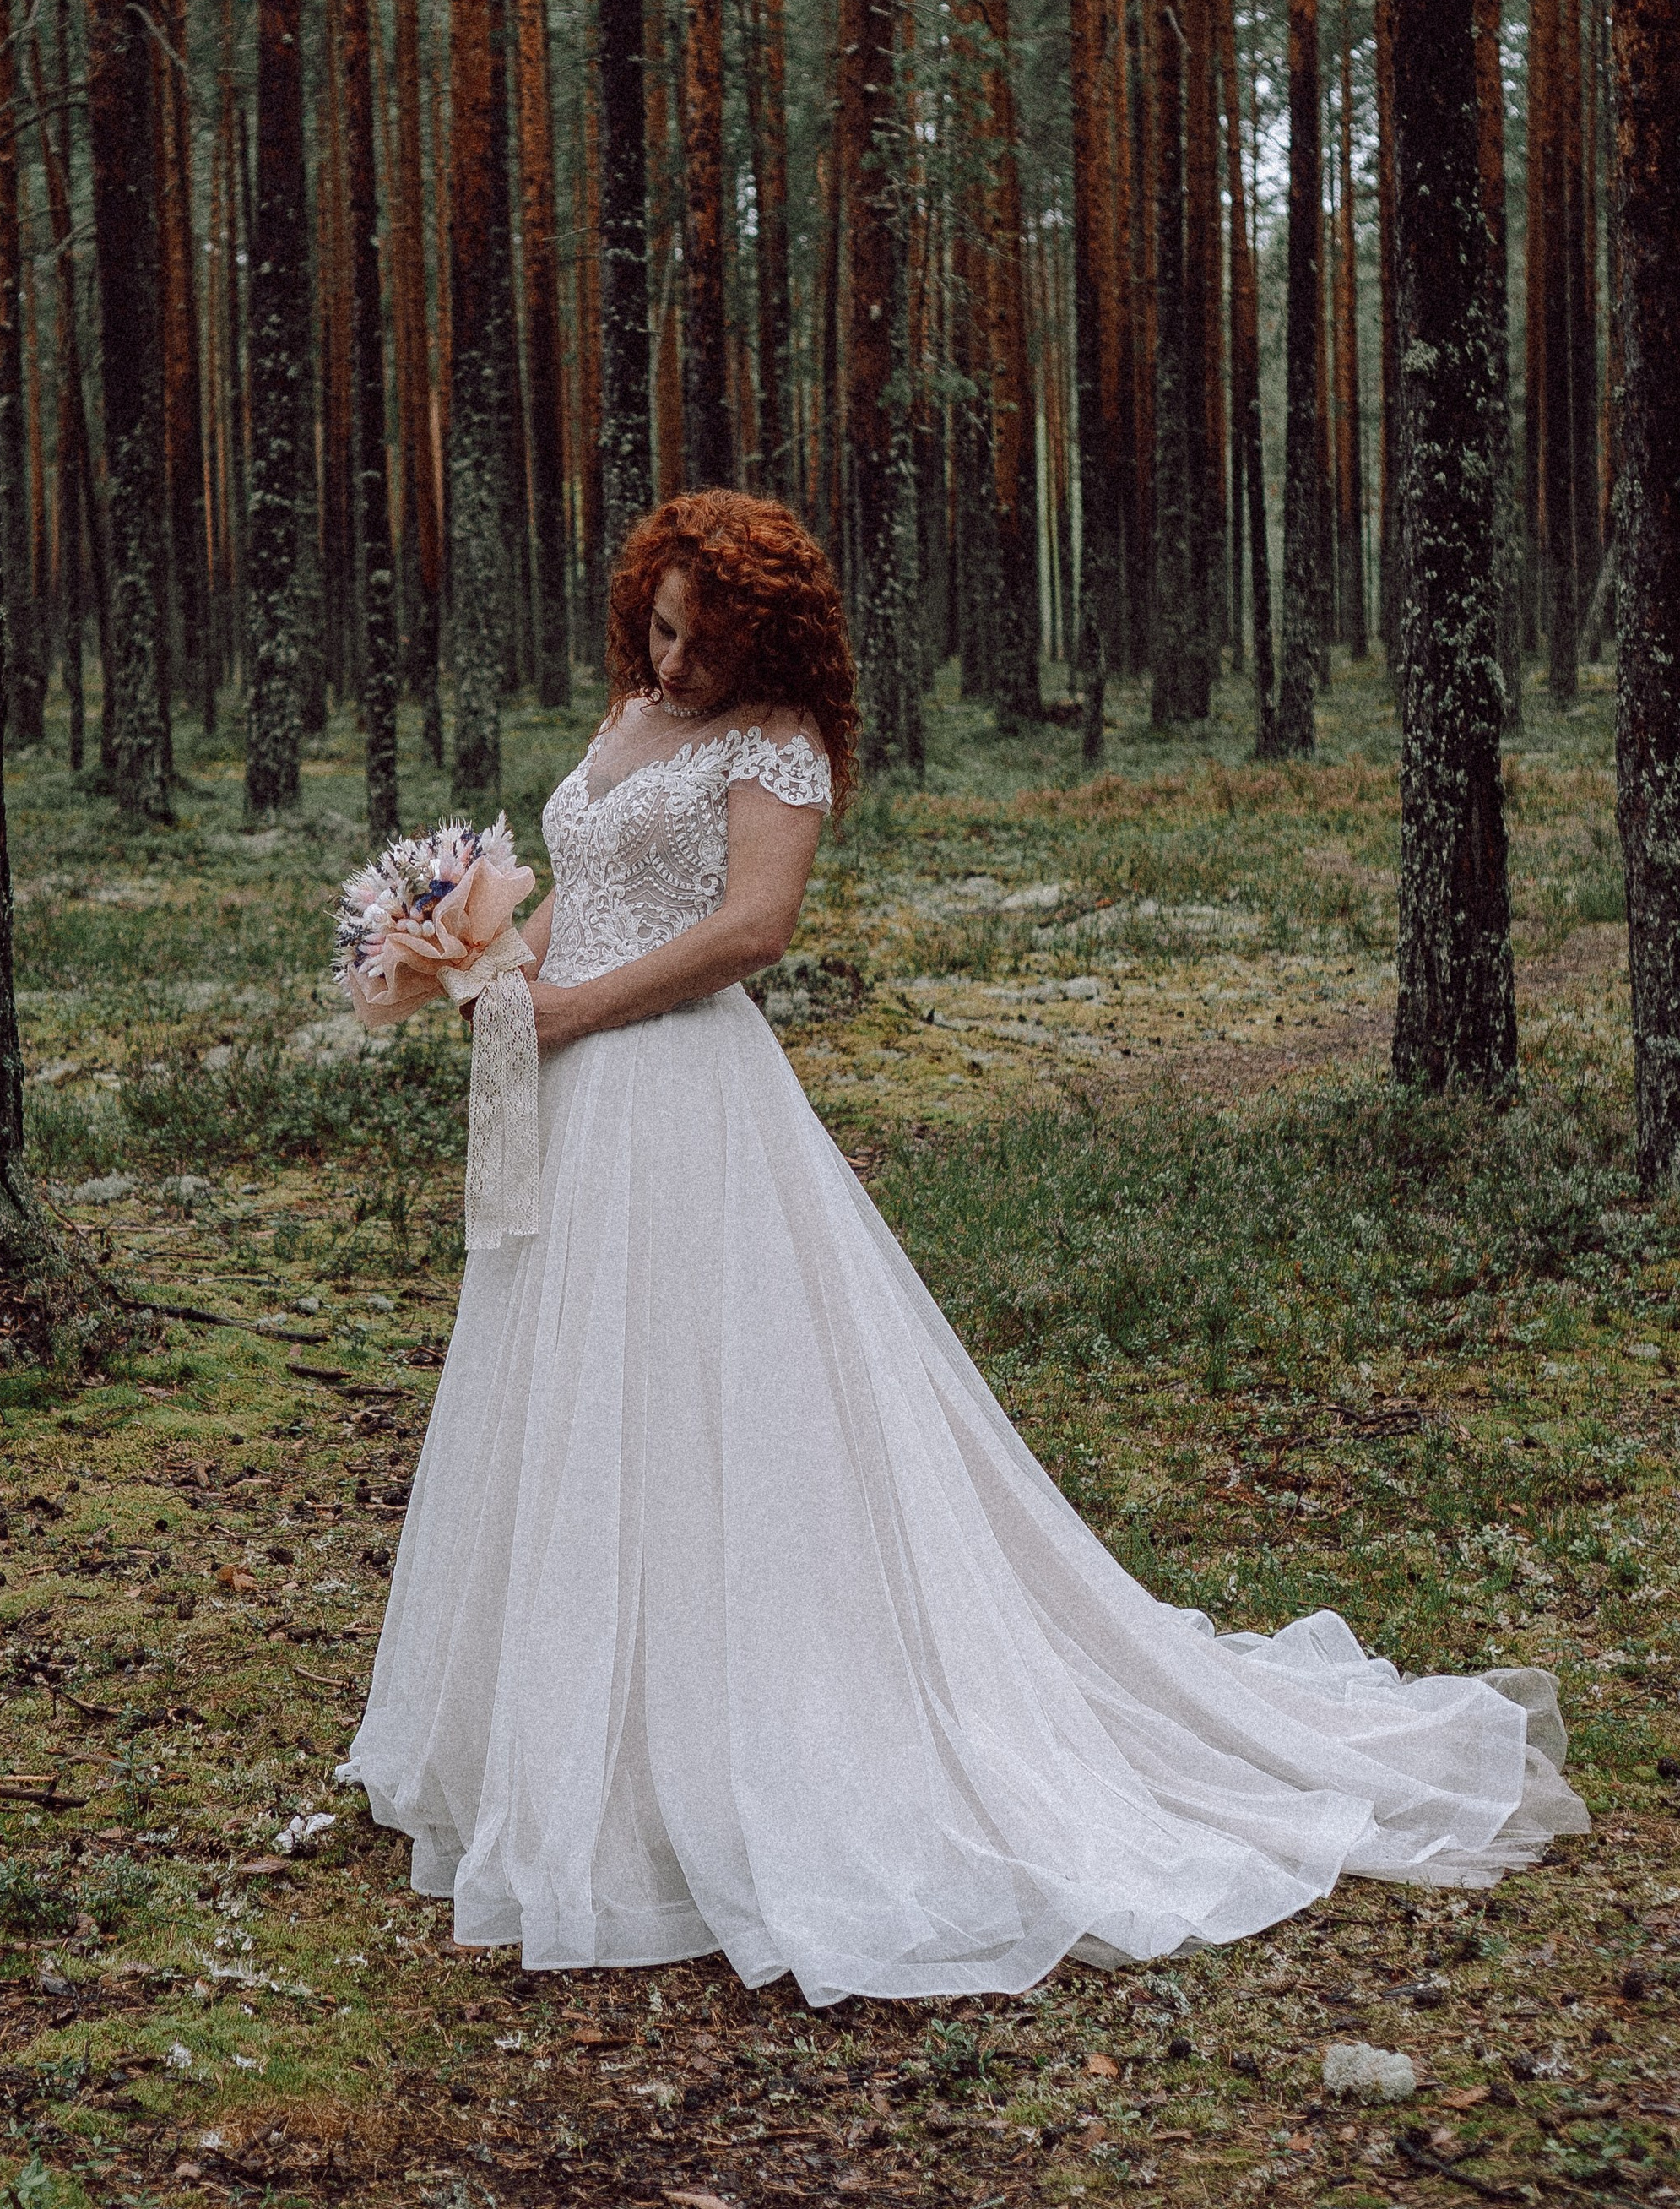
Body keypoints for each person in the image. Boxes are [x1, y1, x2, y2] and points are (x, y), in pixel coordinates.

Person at [349, 490, 1583, 2003]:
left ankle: (752, 1746)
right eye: (660, 632)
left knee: (723, 1408)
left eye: (704, 644)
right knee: (574, 1401)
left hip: (686, 1099)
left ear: (770, 639)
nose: (671, 668)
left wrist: (577, 1012)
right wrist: (476, 963)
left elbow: (752, 929)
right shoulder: (629, 712)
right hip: (574, 1107)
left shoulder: (777, 742)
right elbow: (588, 895)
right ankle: (571, 1748)